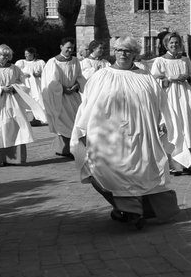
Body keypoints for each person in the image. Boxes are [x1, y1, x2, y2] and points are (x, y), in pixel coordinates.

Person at [72, 36, 178, 228]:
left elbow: (160, 102)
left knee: (142, 171)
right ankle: (130, 210)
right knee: (101, 170)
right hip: (108, 137)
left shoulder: (146, 78)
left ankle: (137, 212)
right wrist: (83, 128)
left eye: (127, 50)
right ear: (114, 51)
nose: (123, 54)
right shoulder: (101, 76)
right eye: (120, 50)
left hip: (141, 135)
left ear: (134, 54)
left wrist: (163, 122)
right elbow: (88, 105)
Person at [150, 33, 191, 175]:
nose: (174, 45)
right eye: (171, 43)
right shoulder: (160, 61)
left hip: (186, 97)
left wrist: (188, 78)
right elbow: (153, 81)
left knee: (187, 127)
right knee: (173, 128)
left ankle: (187, 165)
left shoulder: (185, 60)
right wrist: (171, 78)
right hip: (169, 98)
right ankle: (174, 165)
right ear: (166, 45)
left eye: (176, 43)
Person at [0, 45, 42, 167]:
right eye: (3, 55)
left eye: (7, 55)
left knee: (15, 128)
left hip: (13, 103)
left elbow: (23, 83)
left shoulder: (14, 68)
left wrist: (14, 87)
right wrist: (0, 89)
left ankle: (15, 159)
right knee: (0, 129)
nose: (5, 57)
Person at [42, 37, 86, 159]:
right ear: (61, 47)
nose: (70, 50)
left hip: (73, 97)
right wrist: (64, 89)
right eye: (67, 47)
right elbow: (51, 81)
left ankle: (74, 148)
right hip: (60, 97)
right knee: (63, 123)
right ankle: (64, 149)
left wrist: (77, 85)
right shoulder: (53, 62)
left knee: (76, 121)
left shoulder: (75, 60)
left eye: (72, 48)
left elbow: (79, 76)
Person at [15, 47, 46, 126]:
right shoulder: (21, 63)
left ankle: (38, 119)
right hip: (26, 86)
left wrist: (40, 74)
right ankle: (27, 119)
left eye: (28, 55)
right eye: (25, 55)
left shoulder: (40, 62)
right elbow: (15, 73)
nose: (26, 56)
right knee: (27, 100)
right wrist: (23, 74)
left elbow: (46, 72)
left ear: (33, 54)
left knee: (38, 100)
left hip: (37, 85)